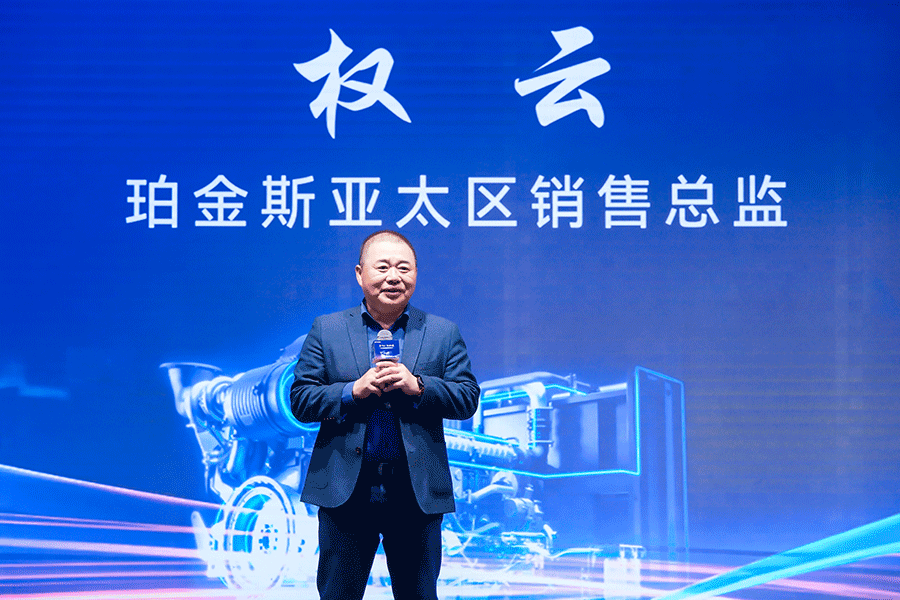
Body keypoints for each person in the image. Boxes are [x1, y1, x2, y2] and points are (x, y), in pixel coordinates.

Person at [290, 230, 480, 600]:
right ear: (360, 273)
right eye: (383, 267)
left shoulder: (442, 332)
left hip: (416, 496)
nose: (394, 277)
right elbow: (301, 399)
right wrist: (352, 391)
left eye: (404, 268)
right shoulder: (327, 329)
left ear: (416, 274)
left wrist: (419, 386)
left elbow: (467, 397)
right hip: (346, 494)